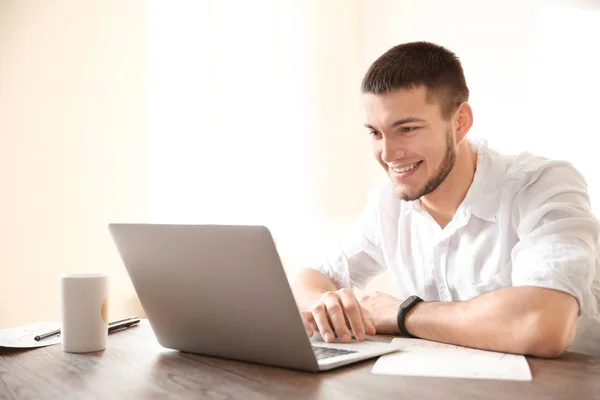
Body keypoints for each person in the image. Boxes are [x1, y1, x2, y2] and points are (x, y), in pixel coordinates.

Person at [291, 41, 600, 358]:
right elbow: (311, 278)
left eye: (407, 128)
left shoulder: (542, 186)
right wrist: (325, 303)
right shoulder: (388, 205)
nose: (387, 154)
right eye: (376, 133)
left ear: (460, 122)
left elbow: (543, 325)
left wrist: (404, 314)